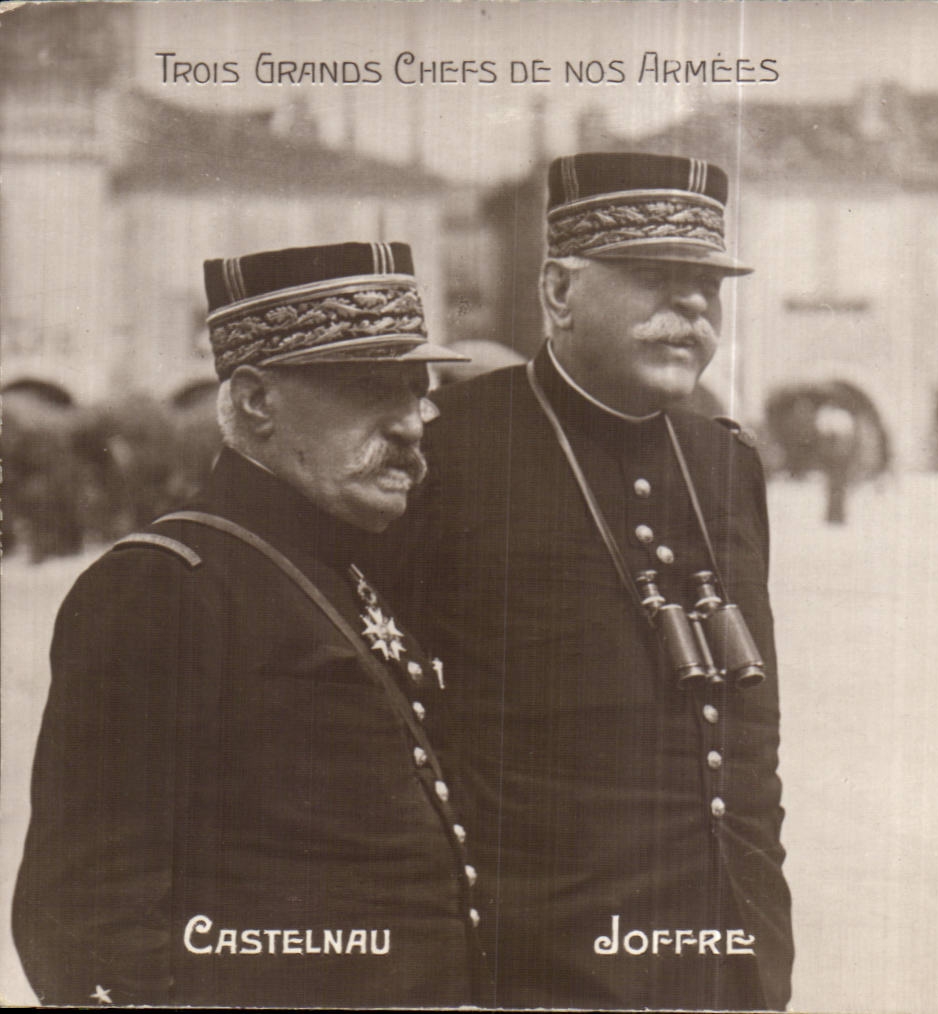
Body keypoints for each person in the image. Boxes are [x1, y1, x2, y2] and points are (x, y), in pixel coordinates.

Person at [13, 242, 481, 1007]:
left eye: (416, 393)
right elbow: (81, 921)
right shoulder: (164, 584)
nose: (409, 427)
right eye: (371, 390)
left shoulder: (355, 572)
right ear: (259, 401)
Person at [375, 152, 792, 1010]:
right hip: (536, 963)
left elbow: (751, 733)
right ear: (559, 292)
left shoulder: (724, 459)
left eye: (707, 288)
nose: (689, 308)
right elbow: (386, 734)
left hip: (718, 954)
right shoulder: (448, 452)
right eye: (653, 279)